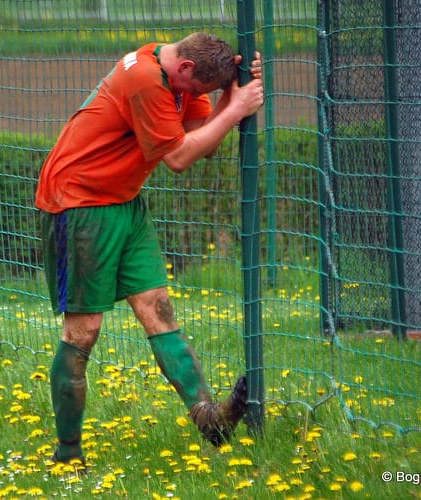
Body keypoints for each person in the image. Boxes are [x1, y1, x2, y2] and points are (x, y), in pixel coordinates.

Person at [34, 32, 264, 465]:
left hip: (123, 200)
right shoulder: (145, 78)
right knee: (83, 332)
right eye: (200, 91)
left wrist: (229, 97)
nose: (198, 98)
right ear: (187, 69)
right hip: (79, 203)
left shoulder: (180, 76)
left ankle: (209, 418)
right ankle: (67, 455)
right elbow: (177, 158)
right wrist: (234, 109)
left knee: (157, 308)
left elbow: (202, 144)